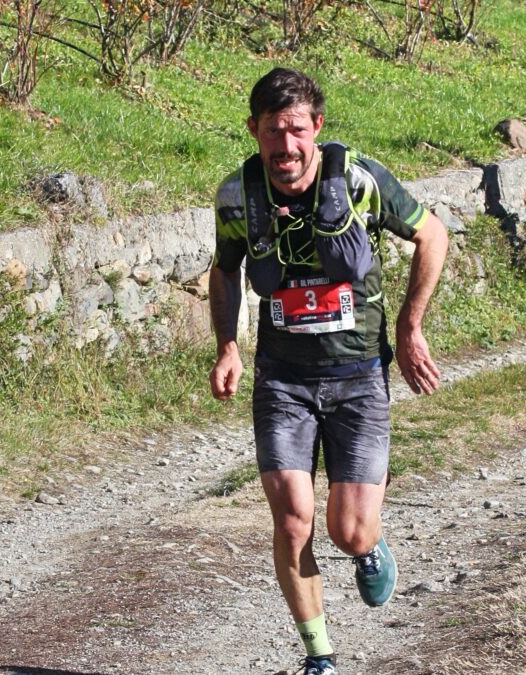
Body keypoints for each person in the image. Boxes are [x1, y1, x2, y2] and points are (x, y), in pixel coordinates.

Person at [207, 67, 448, 675]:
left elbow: (433, 235)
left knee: (348, 532)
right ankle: (320, 656)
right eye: (271, 132)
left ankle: (367, 547)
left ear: (316, 127)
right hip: (282, 381)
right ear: (253, 131)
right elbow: (224, 269)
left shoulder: (361, 180)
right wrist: (227, 346)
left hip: (360, 377)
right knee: (292, 519)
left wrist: (409, 325)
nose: (284, 147)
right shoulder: (238, 195)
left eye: (295, 131)